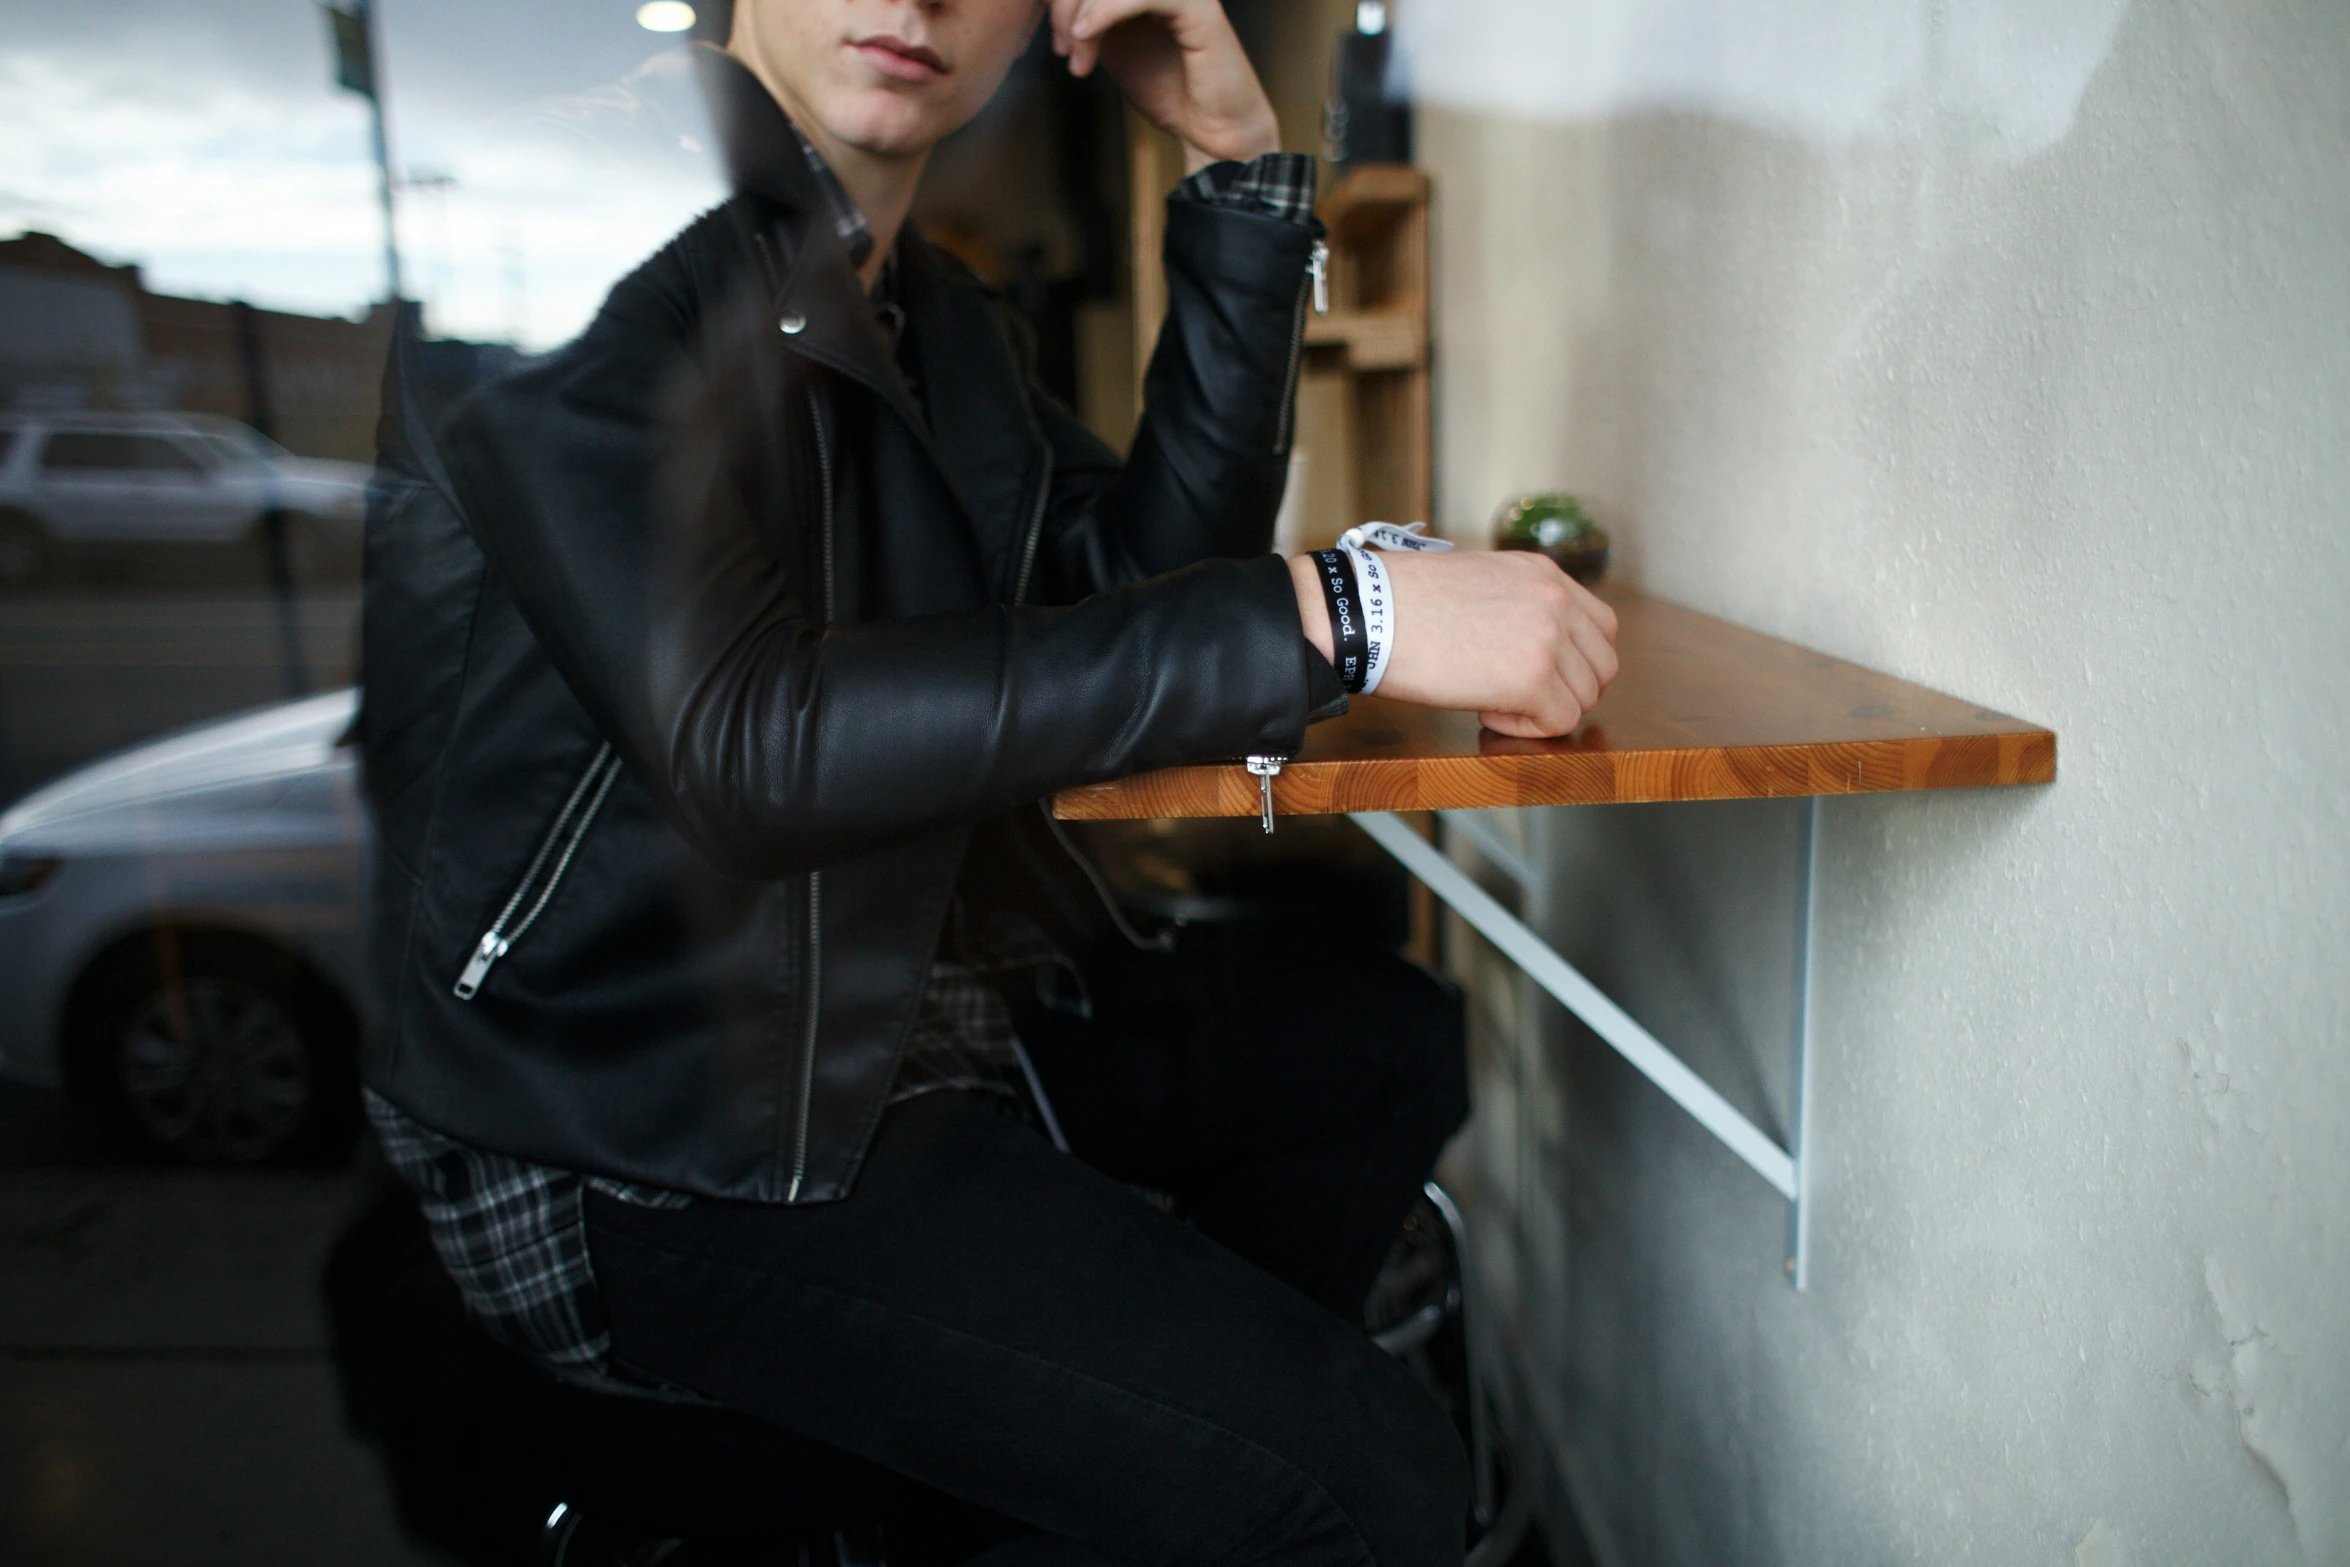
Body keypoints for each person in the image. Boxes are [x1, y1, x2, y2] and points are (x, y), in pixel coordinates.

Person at [358, 1, 1619, 1563]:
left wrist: (1235, 173)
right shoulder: (561, 223)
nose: (913, 0)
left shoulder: (928, 314)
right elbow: (749, 741)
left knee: (1382, 1040)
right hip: (644, 1121)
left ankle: (1108, 1482)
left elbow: (1137, 577)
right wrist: (1343, 613)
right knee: (1369, 1477)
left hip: (897, 1010)